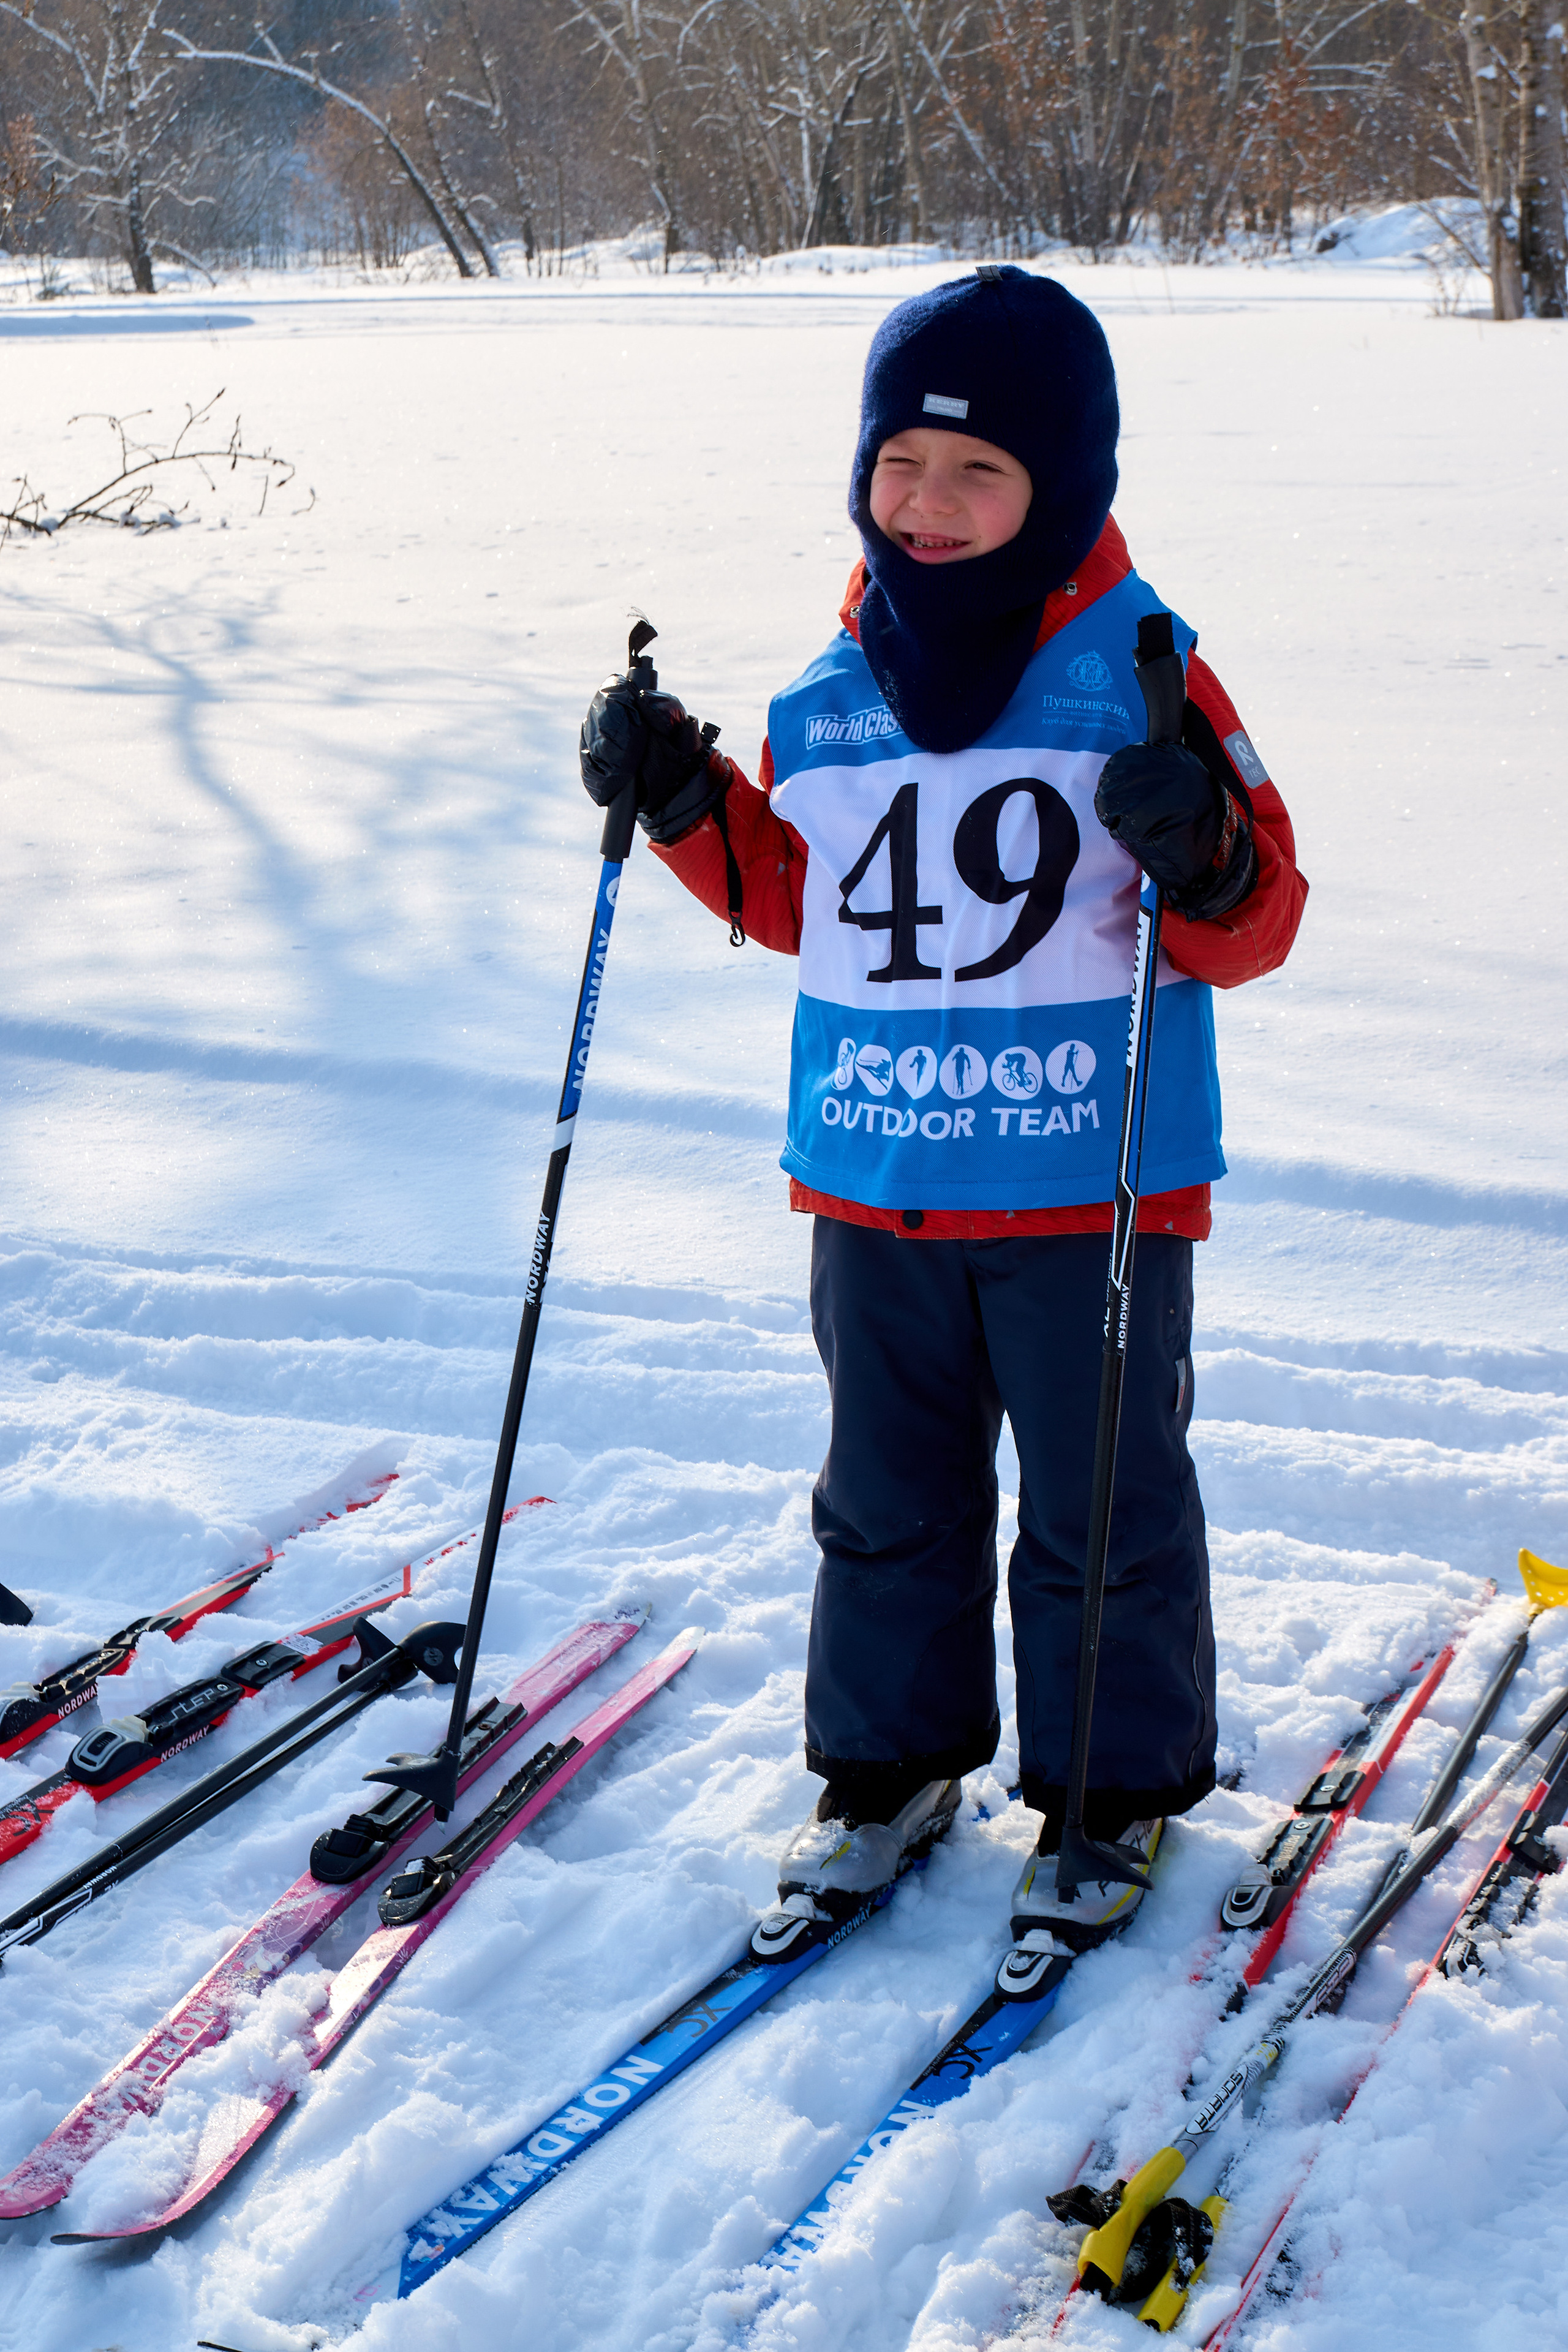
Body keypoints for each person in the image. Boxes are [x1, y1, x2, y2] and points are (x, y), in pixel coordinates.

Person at [579, 267, 1306, 1980]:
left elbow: (1257, 918)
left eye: (981, 474)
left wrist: (1196, 845)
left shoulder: (1147, 674)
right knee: (884, 1497)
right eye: (904, 464)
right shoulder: (835, 688)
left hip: (1087, 1183)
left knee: (1102, 1504)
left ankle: (1105, 1789)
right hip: (879, 1168)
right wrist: (689, 803)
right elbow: (802, 896)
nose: (933, 503)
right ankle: (889, 1771)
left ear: (1062, 485)